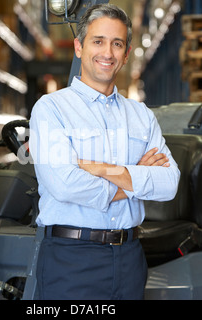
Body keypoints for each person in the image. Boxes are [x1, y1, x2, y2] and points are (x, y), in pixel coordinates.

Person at [29, 3, 180, 300]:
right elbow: (64, 184)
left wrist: (98, 168)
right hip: (71, 259)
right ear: (79, 47)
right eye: (98, 41)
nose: (107, 53)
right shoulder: (51, 109)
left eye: (117, 44)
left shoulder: (142, 116)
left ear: (126, 54)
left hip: (130, 258)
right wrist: (136, 178)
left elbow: (169, 183)